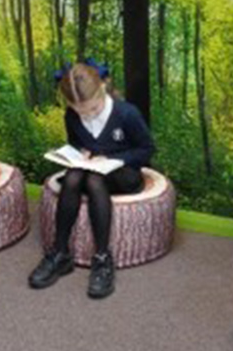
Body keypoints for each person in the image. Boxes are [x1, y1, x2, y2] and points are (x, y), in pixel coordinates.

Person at [28, 61, 155, 299]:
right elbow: (76, 142)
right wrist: (81, 152)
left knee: (94, 179)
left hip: (125, 174)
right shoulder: (72, 115)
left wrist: (112, 158)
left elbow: (146, 150)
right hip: (90, 170)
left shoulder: (126, 114)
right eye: (80, 112)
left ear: (103, 89)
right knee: (72, 177)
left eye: (93, 109)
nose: (86, 115)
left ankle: (103, 258)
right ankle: (60, 253)